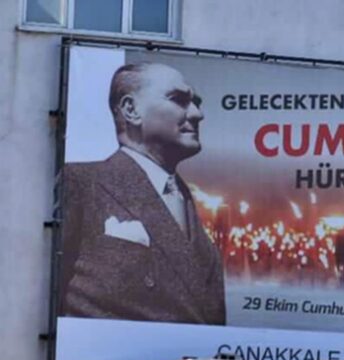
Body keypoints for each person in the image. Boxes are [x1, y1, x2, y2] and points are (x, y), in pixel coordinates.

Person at [59, 62, 226, 325]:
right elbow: (40, 291)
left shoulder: (186, 203)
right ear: (131, 110)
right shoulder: (79, 184)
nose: (197, 114)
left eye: (196, 103)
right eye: (179, 100)